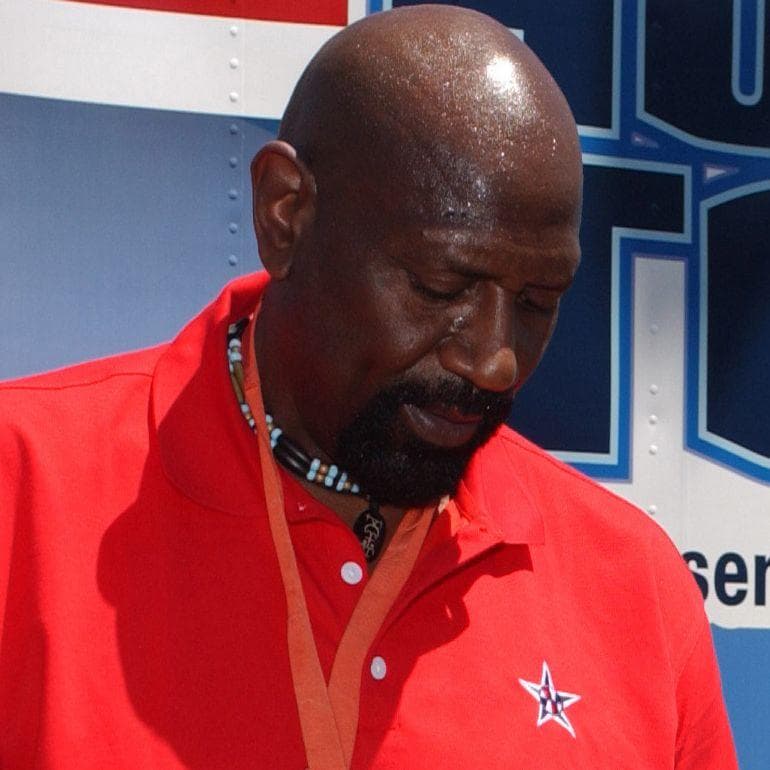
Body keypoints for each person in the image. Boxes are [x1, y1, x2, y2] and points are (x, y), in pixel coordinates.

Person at [0, 6, 737, 769]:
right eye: (440, 286)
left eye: (537, 302)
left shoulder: (636, 591)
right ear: (284, 213)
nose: (494, 363)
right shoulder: (20, 491)